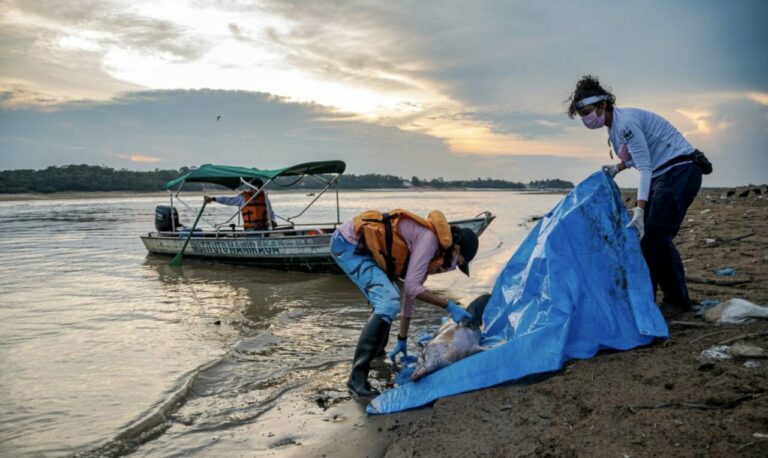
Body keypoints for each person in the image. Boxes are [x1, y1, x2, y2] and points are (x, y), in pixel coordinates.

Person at [566, 75, 712, 315]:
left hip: (680, 170)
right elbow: (636, 156)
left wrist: (640, 209)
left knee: (656, 236)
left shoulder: (626, 123)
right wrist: (618, 167)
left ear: (602, 105)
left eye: (586, 112)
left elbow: (645, 167)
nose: (585, 118)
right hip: (663, 173)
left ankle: (678, 301)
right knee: (643, 238)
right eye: (581, 114)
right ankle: (648, 298)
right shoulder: (614, 128)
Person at [331, 209, 479, 397]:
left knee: (389, 299)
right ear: (456, 250)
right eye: (458, 263)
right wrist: (448, 305)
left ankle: (378, 353)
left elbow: (410, 295)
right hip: (348, 243)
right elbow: (411, 288)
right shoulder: (430, 240)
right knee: (388, 301)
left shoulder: (434, 253)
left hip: (364, 249)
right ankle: (356, 379)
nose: (453, 267)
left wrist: (402, 339)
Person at [204, 179, 276, 230]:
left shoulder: (264, 198)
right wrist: (213, 199)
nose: (255, 190)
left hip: (264, 228)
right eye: (254, 188)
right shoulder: (243, 198)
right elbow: (229, 200)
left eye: (258, 188)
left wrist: (273, 220)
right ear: (250, 188)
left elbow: (270, 212)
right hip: (250, 229)